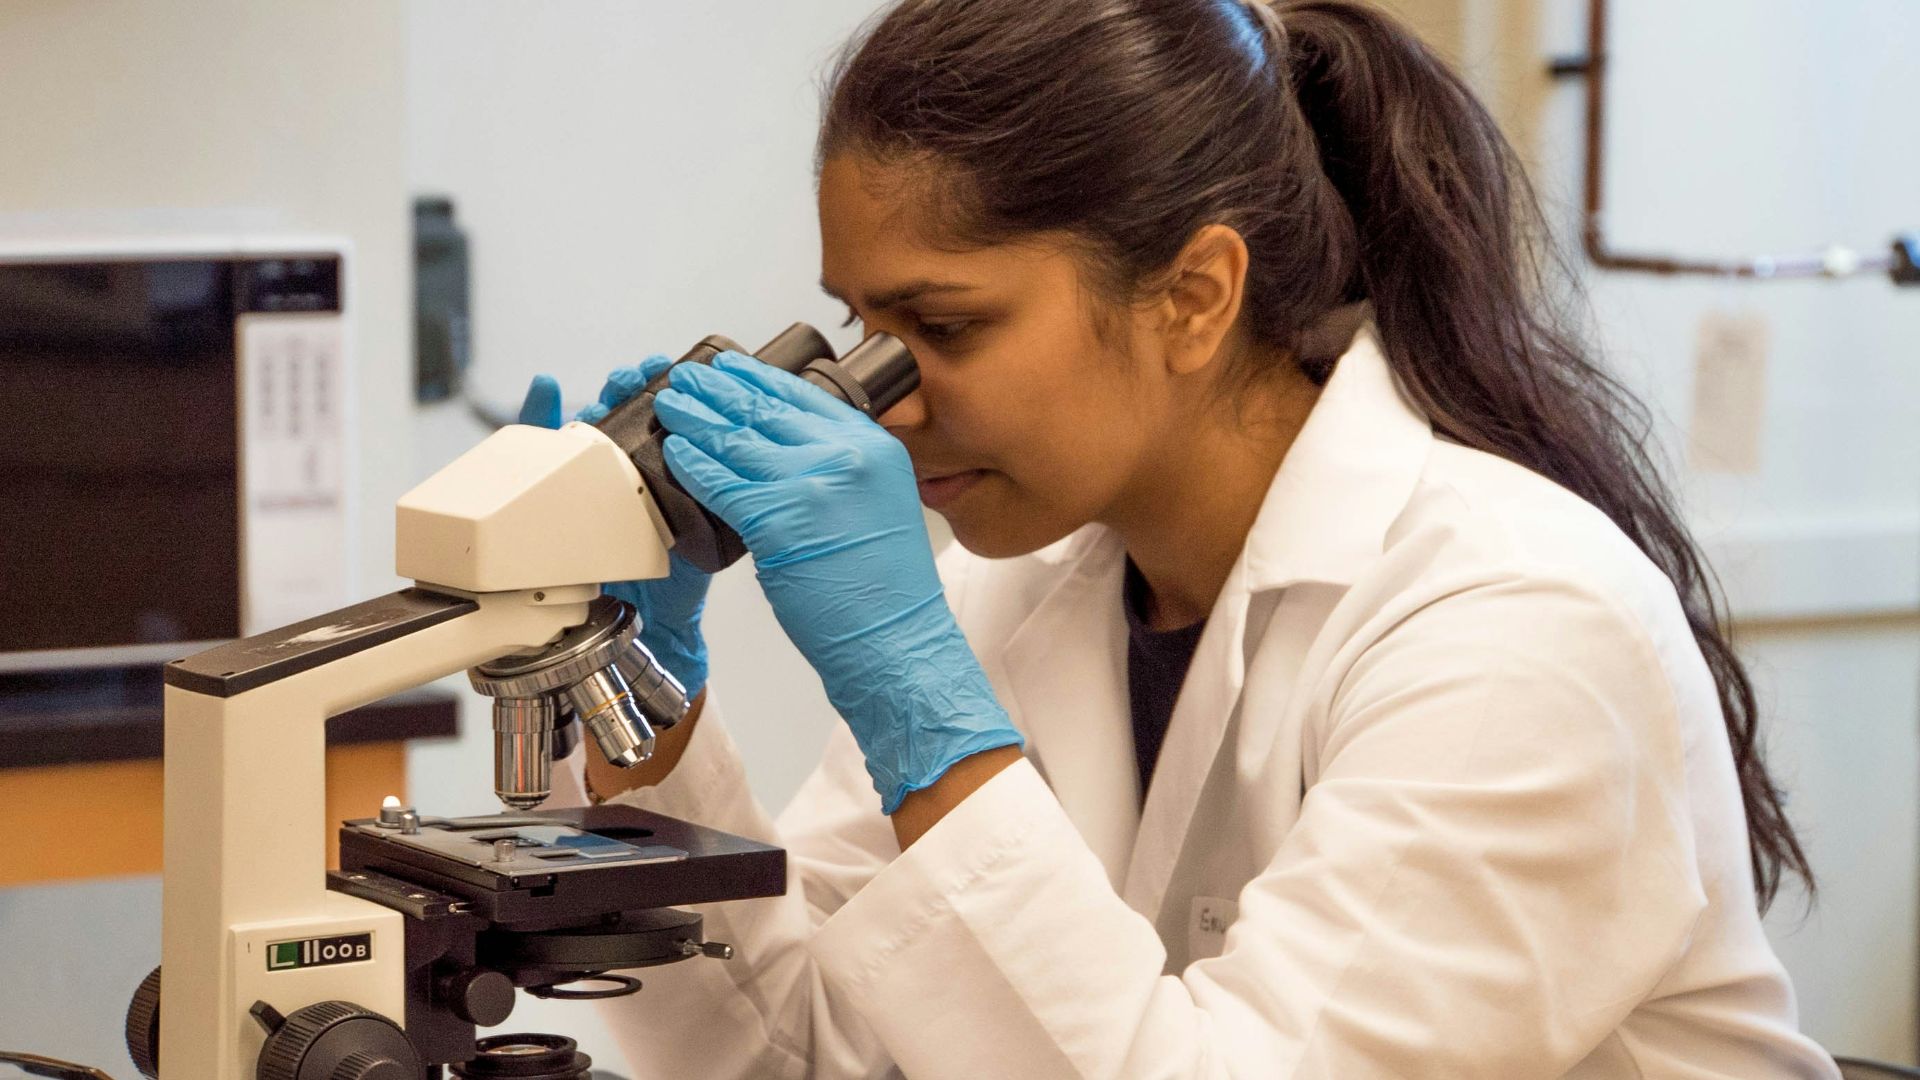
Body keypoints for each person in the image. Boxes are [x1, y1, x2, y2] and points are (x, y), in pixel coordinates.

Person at [517, 0, 1838, 1075]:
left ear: (1195, 297)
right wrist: (644, 702)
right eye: (860, 327)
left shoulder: (1514, 626)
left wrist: (919, 709)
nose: (884, 396)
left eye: (948, 327)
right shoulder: (1016, 585)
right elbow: (797, 1055)